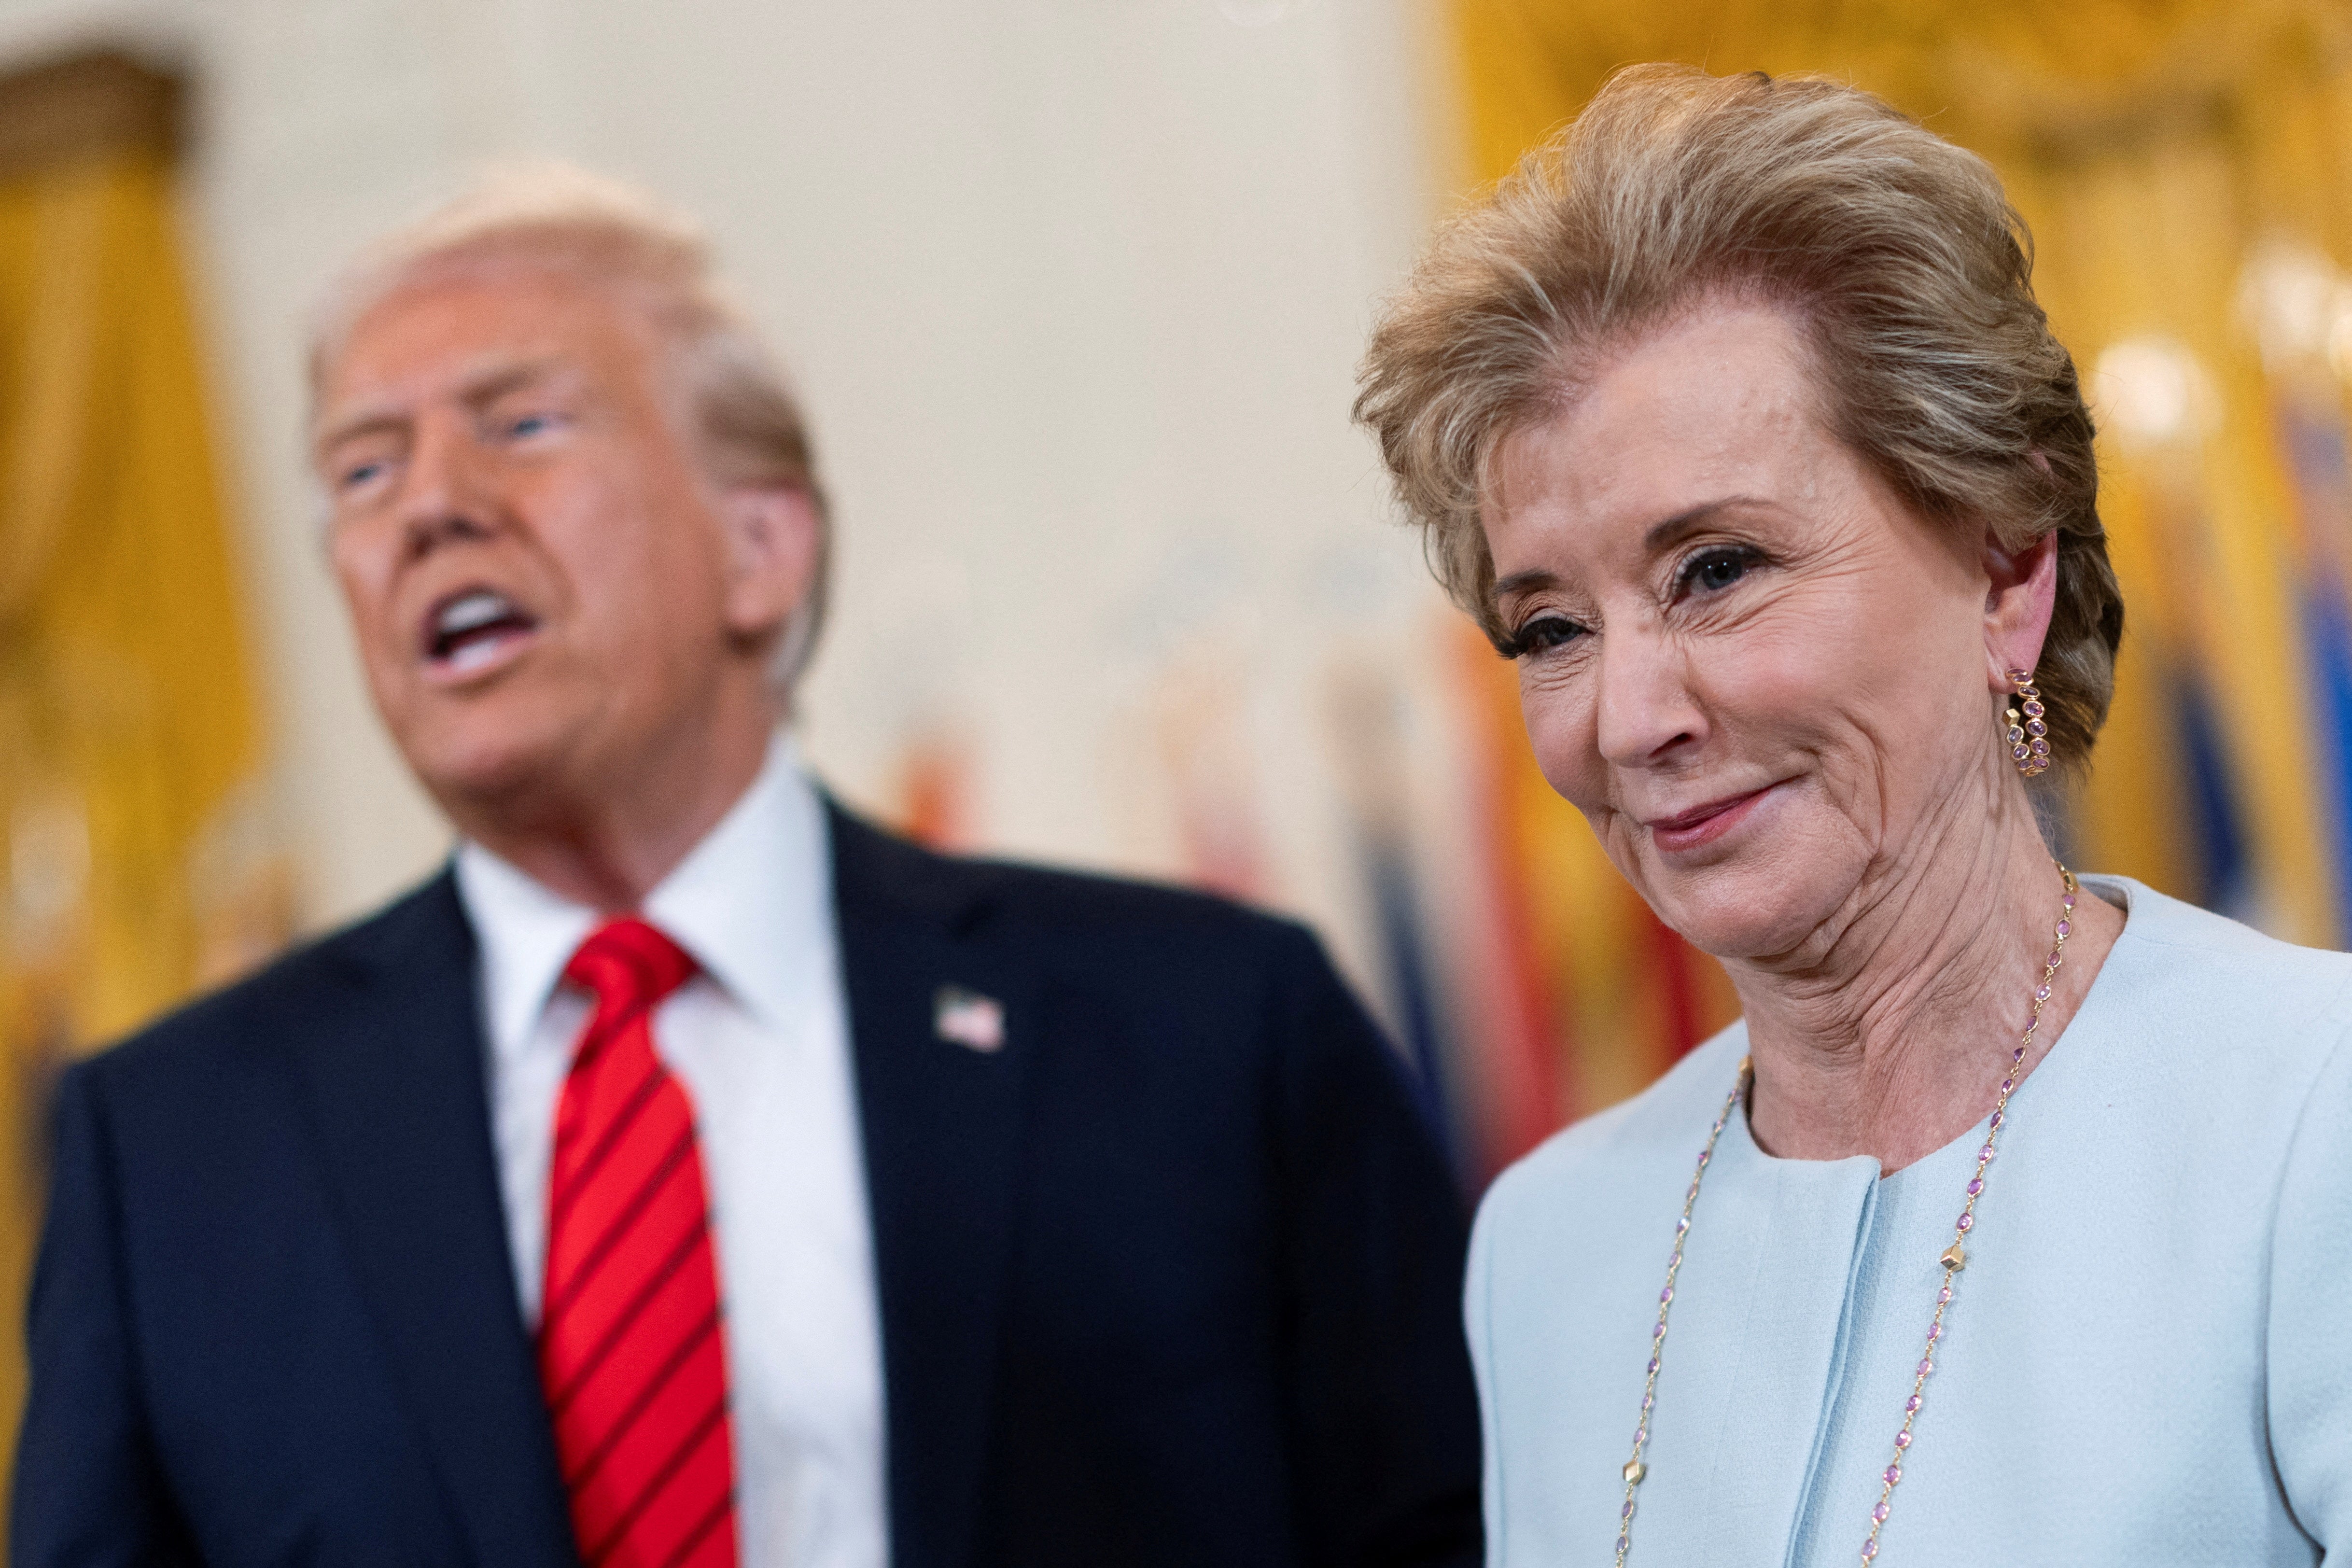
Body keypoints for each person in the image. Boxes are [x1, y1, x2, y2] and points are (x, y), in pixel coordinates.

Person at [14, 168, 1482, 1568]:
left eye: (518, 424)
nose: (428, 506)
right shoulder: (172, 1151)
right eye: (362, 465)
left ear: (761, 548)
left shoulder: (1209, 1031)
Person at [1356, 64, 2352, 1568]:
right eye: (1550, 629)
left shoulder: (2309, 1118)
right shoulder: (1544, 1248)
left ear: (2008, 570)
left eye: (1717, 570)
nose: (1630, 720)